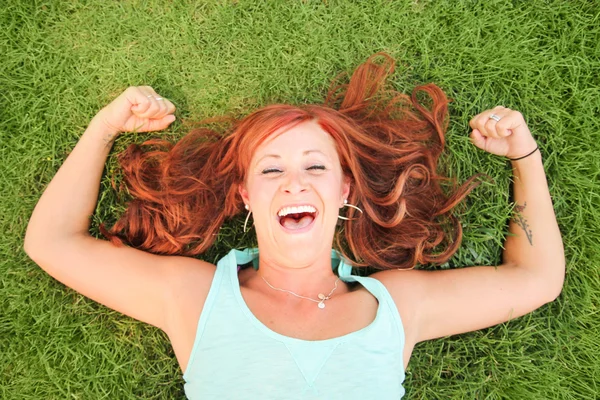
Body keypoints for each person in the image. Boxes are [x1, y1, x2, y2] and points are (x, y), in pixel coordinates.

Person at [24, 53, 564, 399]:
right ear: (246, 196)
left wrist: (525, 157)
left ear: (344, 190)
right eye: (271, 168)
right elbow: (50, 242)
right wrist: (105, 128)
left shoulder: (398, 308)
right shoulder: (194, 298)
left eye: (316, 165)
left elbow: (535, 281)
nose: (294, 182)